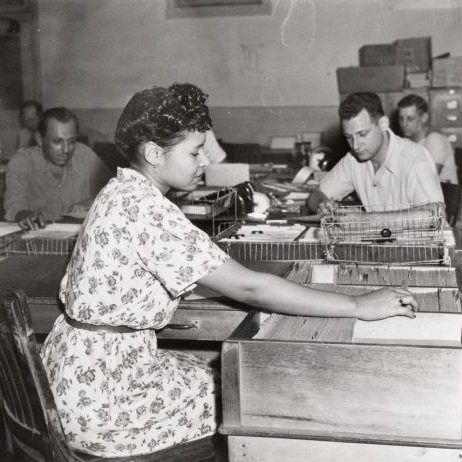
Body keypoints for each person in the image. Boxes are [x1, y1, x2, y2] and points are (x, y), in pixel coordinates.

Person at [40, 83, 417, 458]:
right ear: (155, 153)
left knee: (216, 371)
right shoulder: (148, 210)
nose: (204, 162)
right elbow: (251, 289)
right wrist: (357, 305)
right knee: (248, 394)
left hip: (72, 374)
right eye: (194, 152)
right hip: (104, 401)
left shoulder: (120, 190)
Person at [307, 92, 444, 214]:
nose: (355, 145)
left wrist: (366, 221)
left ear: (383, 123)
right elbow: (316, 194)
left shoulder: (414, 158)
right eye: (349, 137)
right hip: (381, 240)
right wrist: (323, 204)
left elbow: (436, 215)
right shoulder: (354, 159)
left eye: (362, 134)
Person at [4, 107, 112, 229]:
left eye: (72, 141)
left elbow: (114, 190)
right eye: (57, 141)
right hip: (39, 238)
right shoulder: (21, 162)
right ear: (39, 139)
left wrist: (91, 202)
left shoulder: (85, 155)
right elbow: (14, 204)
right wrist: (24, 215)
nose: (66, 150)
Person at [398, 94, 458, 185]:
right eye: (401, 119)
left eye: (410, 119)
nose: (404, 124)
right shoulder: (406, 140)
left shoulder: (434, 139)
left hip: (445, 196)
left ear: (424, 118)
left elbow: (427, 179)